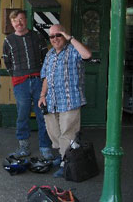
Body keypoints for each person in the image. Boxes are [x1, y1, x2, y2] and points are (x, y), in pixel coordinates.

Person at [38, 24, 92, 178]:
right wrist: (42, 95)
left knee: (68, 133)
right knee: (54, 132)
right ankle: (63, 155)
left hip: (70, 100)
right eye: (51, 36)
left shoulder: (73, 50)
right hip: (51, 101)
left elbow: (87, 55)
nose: (55, 39)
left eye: (58, 35)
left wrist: (70, 38)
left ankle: (66, 162)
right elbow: (46, 77)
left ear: (64, 35)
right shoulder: (49, 55)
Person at [2, 10, 53, 160]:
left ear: (26, 20)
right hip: (20, 82)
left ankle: (45, 147)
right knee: (22, 115)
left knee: (42, 114)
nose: (19, 23)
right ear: (12, 24)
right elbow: (7, 61)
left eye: (21, 19)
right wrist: (17, 74)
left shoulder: (37, 37)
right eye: (15, 21)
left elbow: (46, 57)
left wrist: (43, 77)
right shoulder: (9, 40)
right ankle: (23, 147)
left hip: (38, 80)